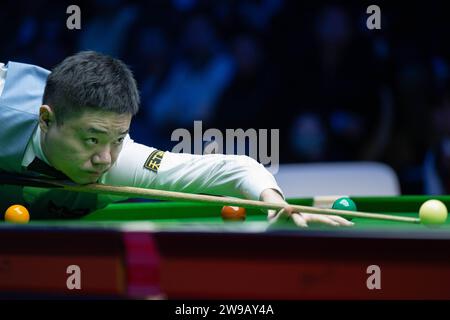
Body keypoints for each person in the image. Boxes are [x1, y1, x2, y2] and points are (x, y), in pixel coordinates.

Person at [0, 51, 352, 227]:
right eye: (91, 140)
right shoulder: (7, 110)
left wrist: (275, 203)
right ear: (47, 121)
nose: (105, 158)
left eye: (118, 138)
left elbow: (229, 169)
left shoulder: (120, 164)